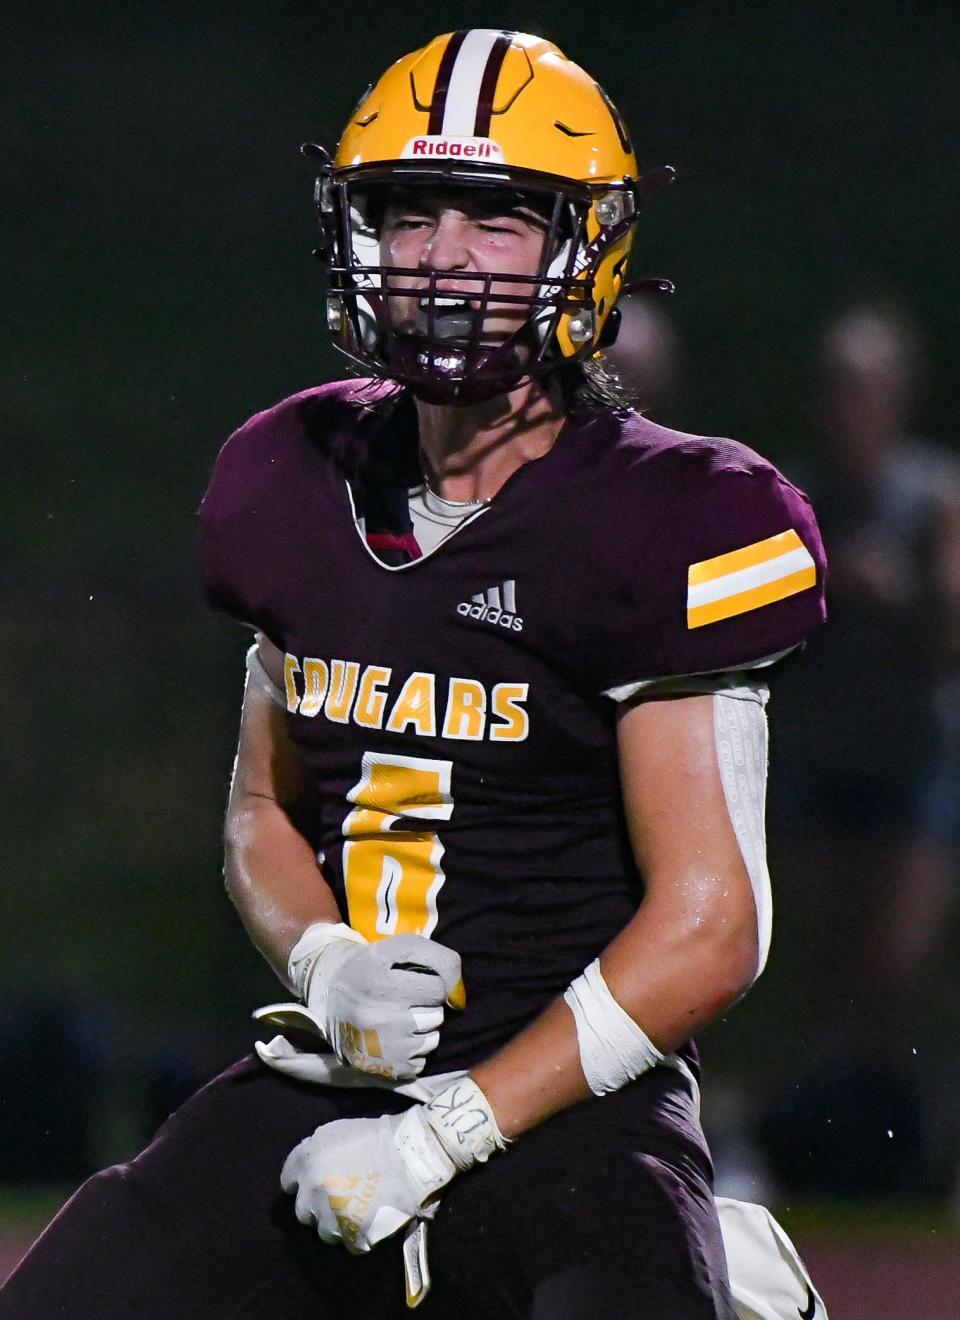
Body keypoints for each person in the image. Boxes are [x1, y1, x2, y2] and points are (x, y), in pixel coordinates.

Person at [0, 30, 828, 1319]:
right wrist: (326, 962)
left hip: (576, 1098)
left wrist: (444, 1134)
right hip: (338, 1080)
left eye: (495, 219)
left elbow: (714, 927)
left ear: (581, 248)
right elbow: (263, 809)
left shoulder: (675, 515)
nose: (442, 257)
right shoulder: (291, 477)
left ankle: (727, 1275)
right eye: (410, 212)